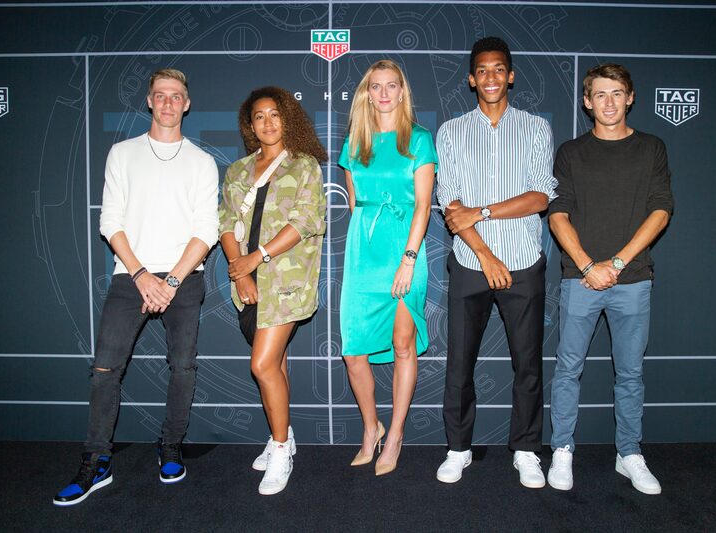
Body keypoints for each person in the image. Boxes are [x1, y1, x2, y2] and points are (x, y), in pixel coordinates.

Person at [53, 68, 219, 506]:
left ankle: (170, 447)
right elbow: (111, 221)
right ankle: (97, 460)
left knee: (183, 367)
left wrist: (171, 281)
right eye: (160, 95)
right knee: (105, 370)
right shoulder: (122, 154)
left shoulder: (202, 162)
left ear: (186, 104)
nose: (167, 102)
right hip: (131, 277)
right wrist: (144, 275)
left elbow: (207, 229)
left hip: (184, 279)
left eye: (176, 96)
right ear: (149, 101)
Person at [435, 37, 557, 487]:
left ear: (511, 75)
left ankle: (526, 449)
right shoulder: (450, 132)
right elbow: (451, 205)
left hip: (524, 262)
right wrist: (485, 254)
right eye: (481, 70)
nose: (490, 77)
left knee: (528, 365)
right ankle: (458, 448)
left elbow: (540, 196)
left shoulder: (535, 129)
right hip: (470, 263)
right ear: (471, 79)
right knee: (459, 364)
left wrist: (484, 212)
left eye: (498, 69)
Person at [546, 64, 673, 495]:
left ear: (631, 97)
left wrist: (615, 264)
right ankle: (562, 449)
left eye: (617, 93)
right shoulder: (570, 152)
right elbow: (557, 214)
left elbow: (661, 210)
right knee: (567, 370)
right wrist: (587, 265)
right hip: (579, 280)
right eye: (600, 94)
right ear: (587, 101)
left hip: (633, 279)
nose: (609, 102)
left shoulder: (652, 148)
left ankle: (629, 454)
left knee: (631, 374)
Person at [218, 86, 327, 495]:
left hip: (287, 283)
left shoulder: (304, 166)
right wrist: (240, 272)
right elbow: (225, 223)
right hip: (248, 283)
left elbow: (306, 222)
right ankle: (283, 436)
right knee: (275, 367)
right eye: (259, 116)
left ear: (288, 120)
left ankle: (281, 449)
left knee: (261, 366)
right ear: (250, 124)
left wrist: (257, 257)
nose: (267, 122)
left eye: (275, 115)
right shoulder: (237, 171)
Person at [339, 59, 437, 476]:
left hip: (405, 250)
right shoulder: (354, 143)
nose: (383, 93)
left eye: (391, 85)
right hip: (363, 255)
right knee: (354, 351)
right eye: (375, 86)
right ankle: (371, 427)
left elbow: (423, 206)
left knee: (402, 345)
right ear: (366, 93)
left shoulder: (418, 140)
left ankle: (394, 434)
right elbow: (353, 202)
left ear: (402, 92)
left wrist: (408, 261)